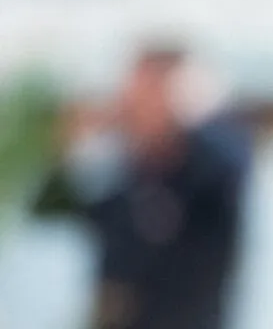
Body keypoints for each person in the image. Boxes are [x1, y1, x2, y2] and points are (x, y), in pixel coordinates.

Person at [51, 46, 251, 329]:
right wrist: (75, 152)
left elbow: (229, 162)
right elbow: (75, 213)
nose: (136, 107)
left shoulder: (209, 166)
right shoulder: (127, 172)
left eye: (150, 93)